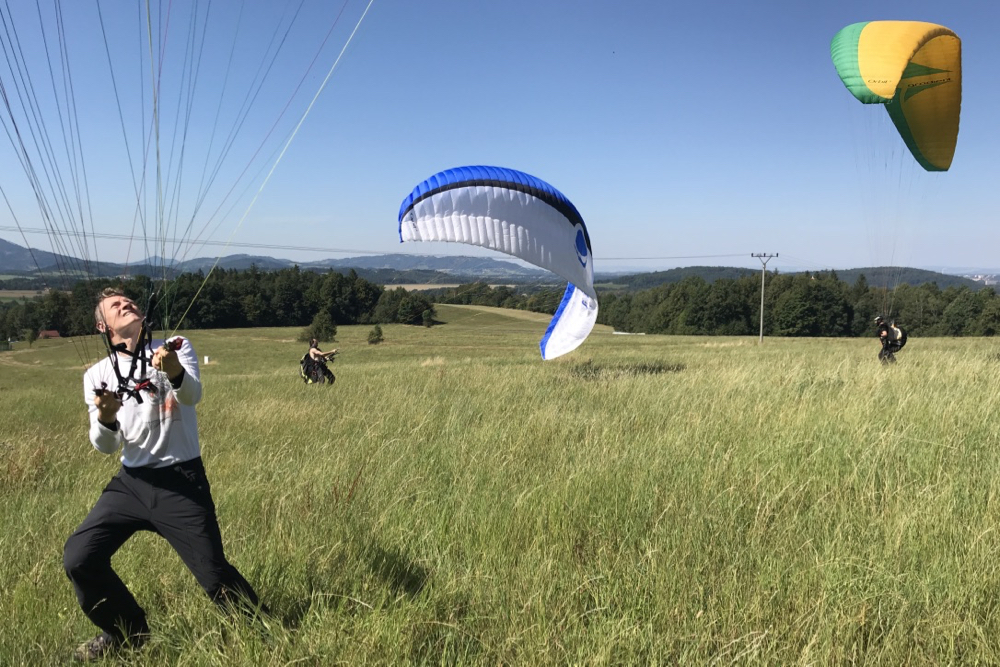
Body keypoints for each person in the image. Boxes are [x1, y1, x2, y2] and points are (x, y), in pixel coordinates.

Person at [64, 288, 266, 661]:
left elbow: (191, 396)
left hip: (181, 482)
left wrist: (172, 368)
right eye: (116, 305)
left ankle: (264, 631)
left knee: (214, 575)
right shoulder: (96, 375)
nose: (127, 304)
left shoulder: (175, 345)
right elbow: (106, 446)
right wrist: (107, 416)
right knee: (79, 557)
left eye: (129, 301)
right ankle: (127, 633)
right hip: (131, 484)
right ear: (102, 325)